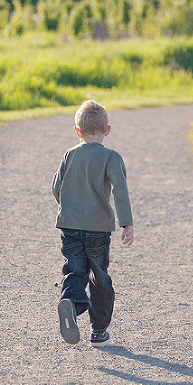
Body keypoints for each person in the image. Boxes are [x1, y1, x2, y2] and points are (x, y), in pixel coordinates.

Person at [52, 100, 134, 348]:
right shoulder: (111, 157)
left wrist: (68, 207)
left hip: (69, 225)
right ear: (107, 130)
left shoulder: (69, 154)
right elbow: (120, 191)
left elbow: (56, 188)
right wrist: (126, 223)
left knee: (75, 269)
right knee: (99, 275)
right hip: (98, 228)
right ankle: (98, 331)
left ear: (77, 131)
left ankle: (73, 304)